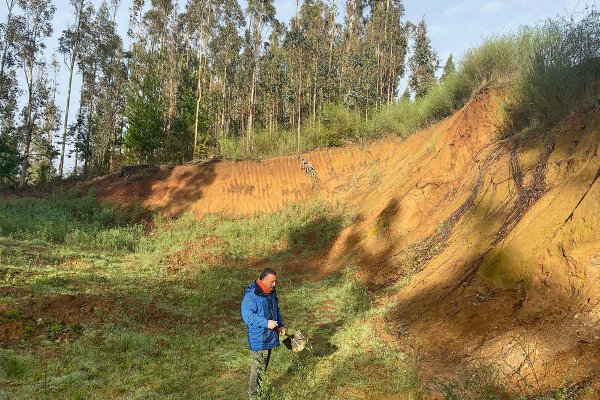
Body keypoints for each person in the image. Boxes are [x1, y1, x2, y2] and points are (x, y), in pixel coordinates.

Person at [241, 268, 285, 399]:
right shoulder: (251, 295)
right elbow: (247, 316)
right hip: (259, 338)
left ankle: (260, 394)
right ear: (263, 280)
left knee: (263, 368)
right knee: (257, 370)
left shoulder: (271, 292)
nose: (274, 284)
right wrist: (266, 323)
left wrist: (281, 325)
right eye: (272, 282)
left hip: (269, 336)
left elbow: (276, 310)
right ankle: (254, 397)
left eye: (275, 281)